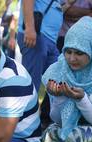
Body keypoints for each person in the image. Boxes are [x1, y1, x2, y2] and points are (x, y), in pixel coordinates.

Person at [17, 0, 63, 128]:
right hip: (37, 35)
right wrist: (30, 28)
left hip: (50, 40)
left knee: (58, 79)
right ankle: (24, 126)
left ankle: (36, 124)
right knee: (31, 86)